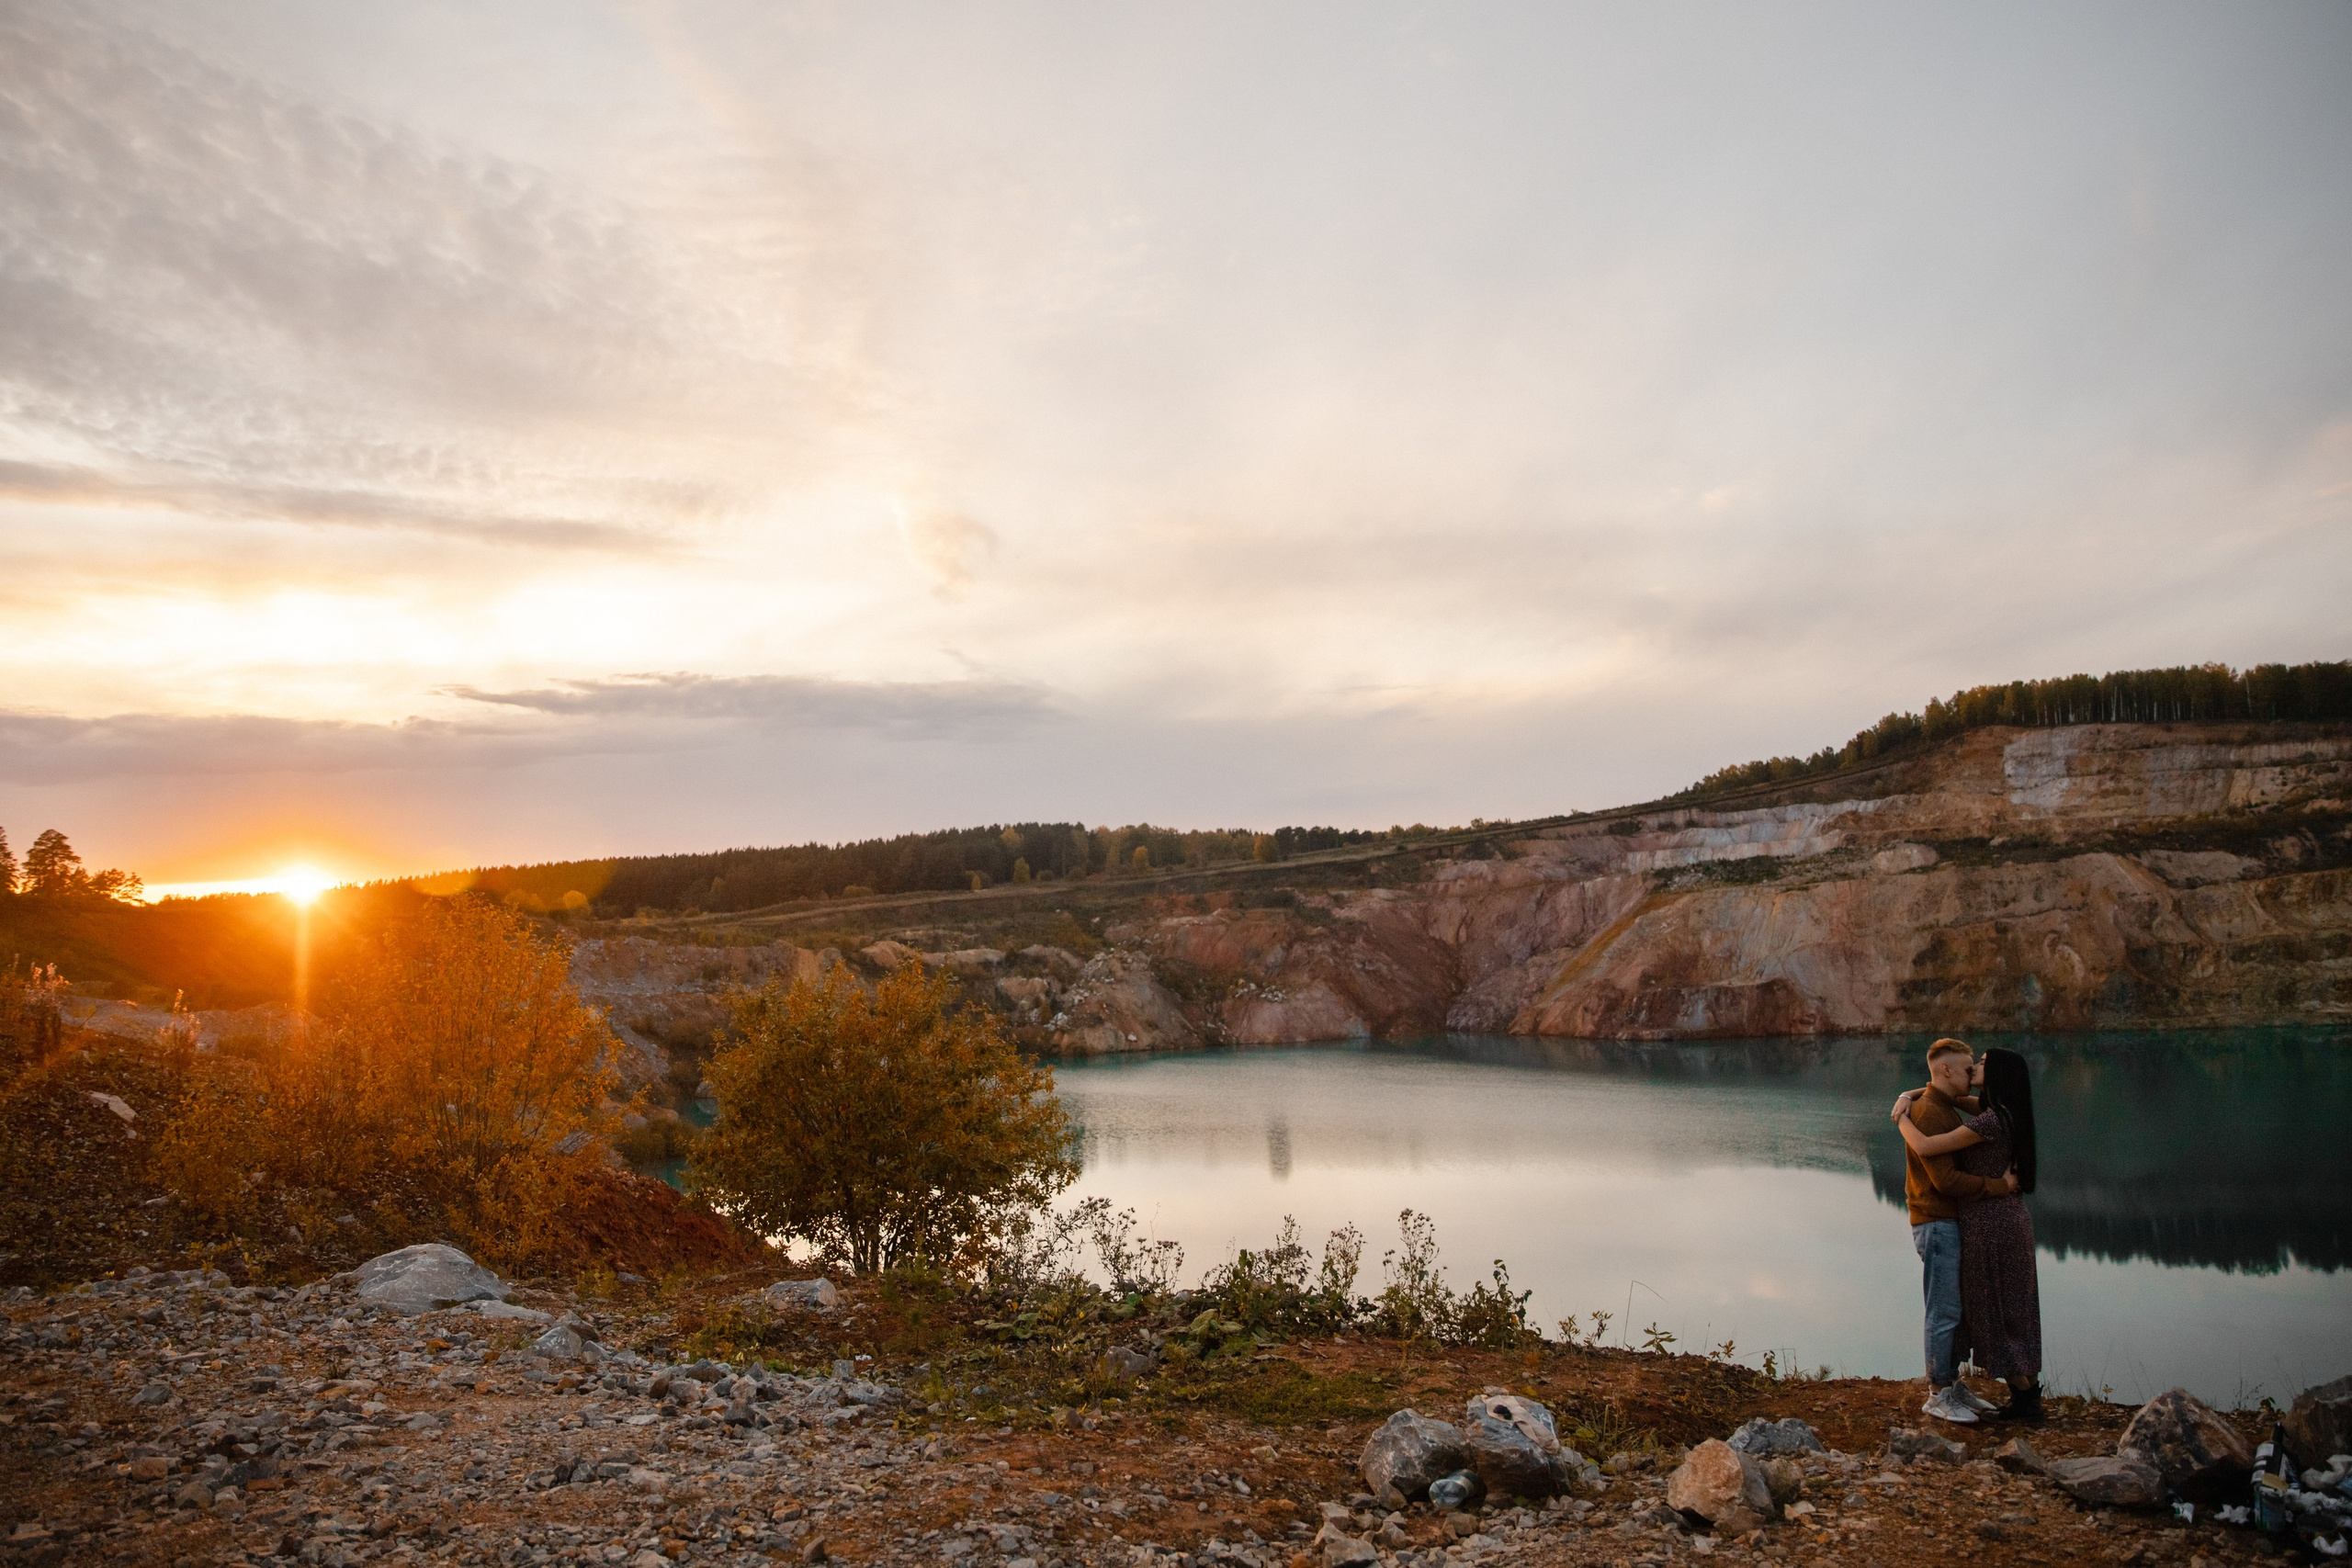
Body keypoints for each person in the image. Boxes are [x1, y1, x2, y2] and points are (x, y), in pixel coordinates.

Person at [1894, 1046, 2045, 1425]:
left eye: (1982, 1064)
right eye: (1971, 1064)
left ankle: (2024, 1402)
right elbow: (1942, 1092)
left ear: (1997, 1075)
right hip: (2007, 1220)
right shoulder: (2005, 1111)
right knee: (2009, 1310)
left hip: (1991, 1224)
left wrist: (1900, 1119)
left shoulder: (1990, 1120)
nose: (1975, 1067)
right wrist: (1907, 1094)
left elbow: (1927, 1147)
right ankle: (2023, 1398)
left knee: (1995, 1309)